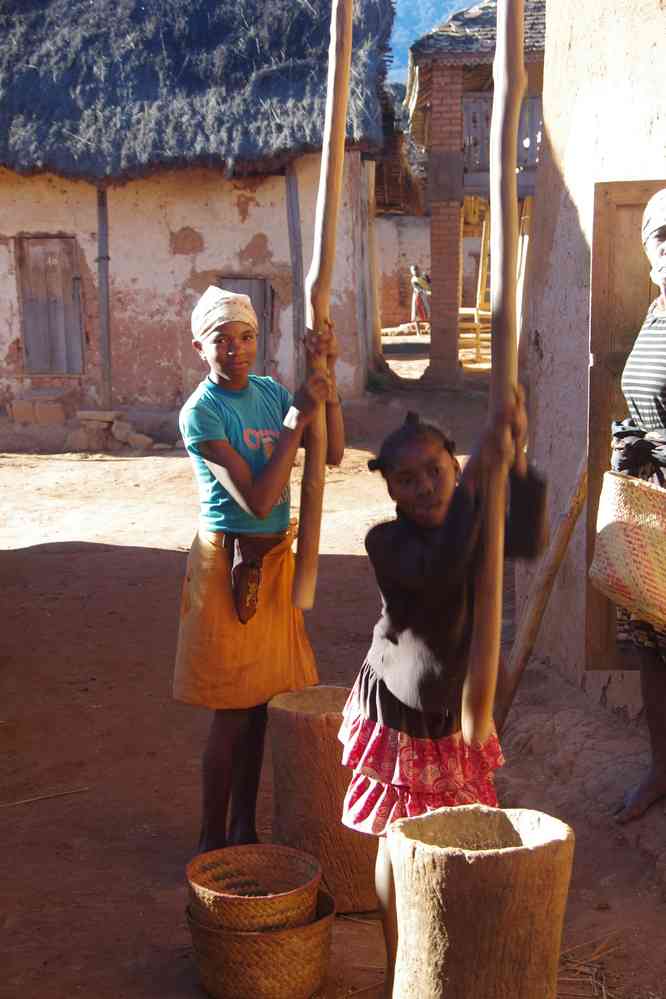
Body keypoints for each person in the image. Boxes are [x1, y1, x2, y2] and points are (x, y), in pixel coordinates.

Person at [338, 395, 547, 995]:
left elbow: (526, 539)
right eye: (409, 479)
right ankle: (397, 959)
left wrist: (517, 458)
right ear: (390, 492)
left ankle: (439, 946)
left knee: (451, 829)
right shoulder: (388, 544)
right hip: (402, 708)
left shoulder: (472, 518)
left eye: (438, 471)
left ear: (454, 469)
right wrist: (480, 478)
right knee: (397, 837)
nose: (426, 487)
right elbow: (442, 570)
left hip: (454, 707)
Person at [174, 285, 344, 853]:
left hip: (272, 565)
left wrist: (327, 385)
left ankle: (244, 828)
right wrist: (297, 420)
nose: (236, 349)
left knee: (261, 708)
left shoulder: (271, 392)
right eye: (221, 340)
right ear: (200, 346)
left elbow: (337, 453)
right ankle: (209, 838)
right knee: (231, 713)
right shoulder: (202, 412)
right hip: (229, 566)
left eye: (246, 337)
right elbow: (259, 499)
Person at [611, 188, 666, 824]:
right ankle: (661, 768)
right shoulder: (656, 312)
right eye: (660, 235)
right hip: (654, 508)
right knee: (654, 646)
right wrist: (633, 442)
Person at [409, 264, 431, 335]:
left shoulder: (424, 275)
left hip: (427, 296)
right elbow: (419, 289)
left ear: (419, 269)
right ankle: (418, 332)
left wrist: (430, 290)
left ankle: (431, 329)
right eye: (413, 270)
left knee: (429, 312)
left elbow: (430, 283)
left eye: (416, 269)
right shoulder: (413, 280)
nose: (415, 271)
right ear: (411, 272)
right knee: (416, 314)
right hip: (417, 296)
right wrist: (427, 292)